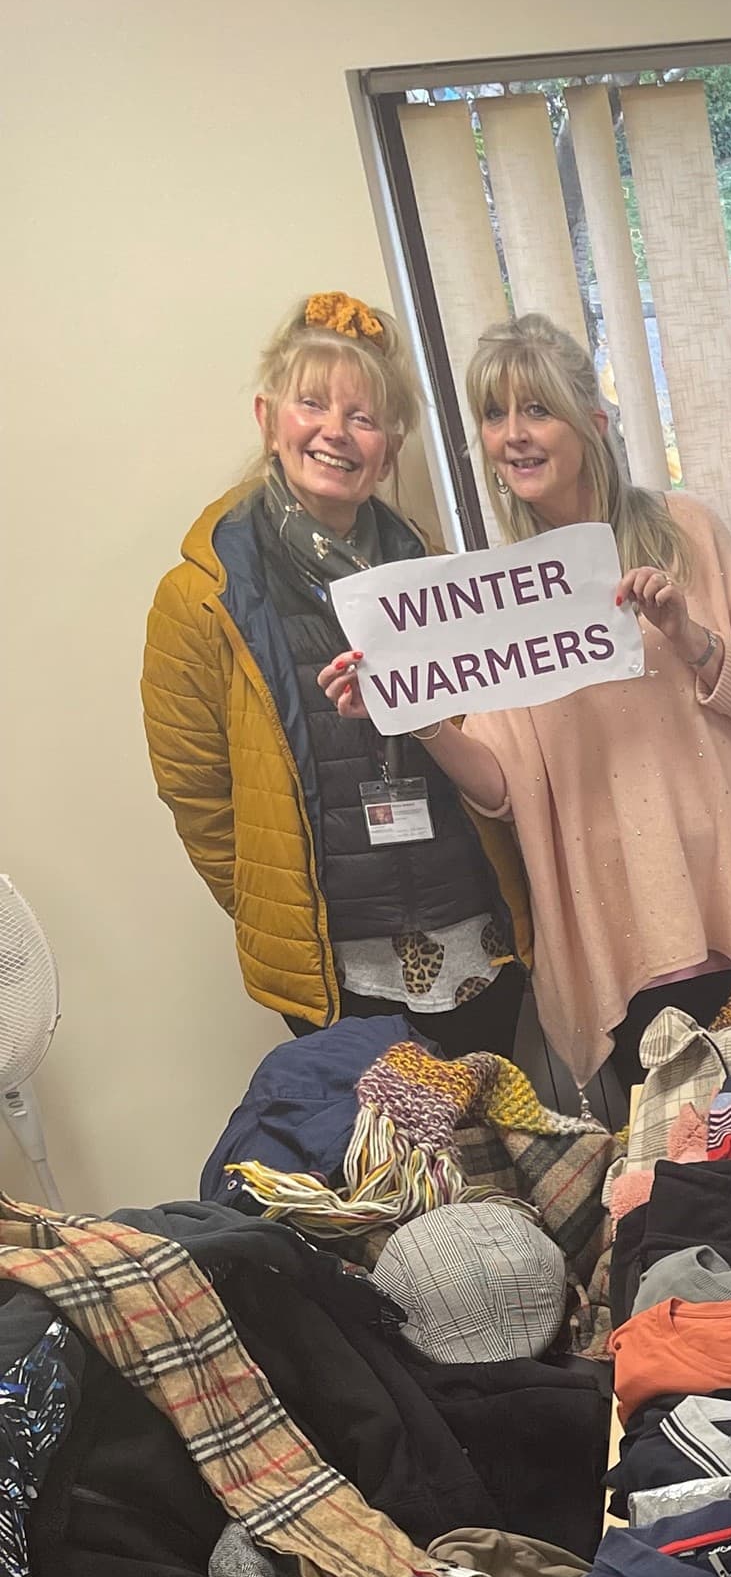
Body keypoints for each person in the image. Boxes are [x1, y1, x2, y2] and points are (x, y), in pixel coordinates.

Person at [318, 311, 731, 1092]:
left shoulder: (687, 533)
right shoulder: (497, 597)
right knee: (676, 1170)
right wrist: (417, 715)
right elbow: (500, 787)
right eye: (494, 413)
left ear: (593, 420)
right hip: (626, 929)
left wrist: (692, 637)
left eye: (537, 408)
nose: (514, 433)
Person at [143, 291, 532, 1057]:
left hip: (473, 933)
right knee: (375, 1169)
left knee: (494, 1148)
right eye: (311, 403)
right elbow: (198, 795)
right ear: (268, 418)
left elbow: (490, 738)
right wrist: (275, 906)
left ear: (389, 448)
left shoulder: (437, 578)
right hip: (334, 961)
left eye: (362, 416)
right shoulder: (201, 598)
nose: (335, 432)